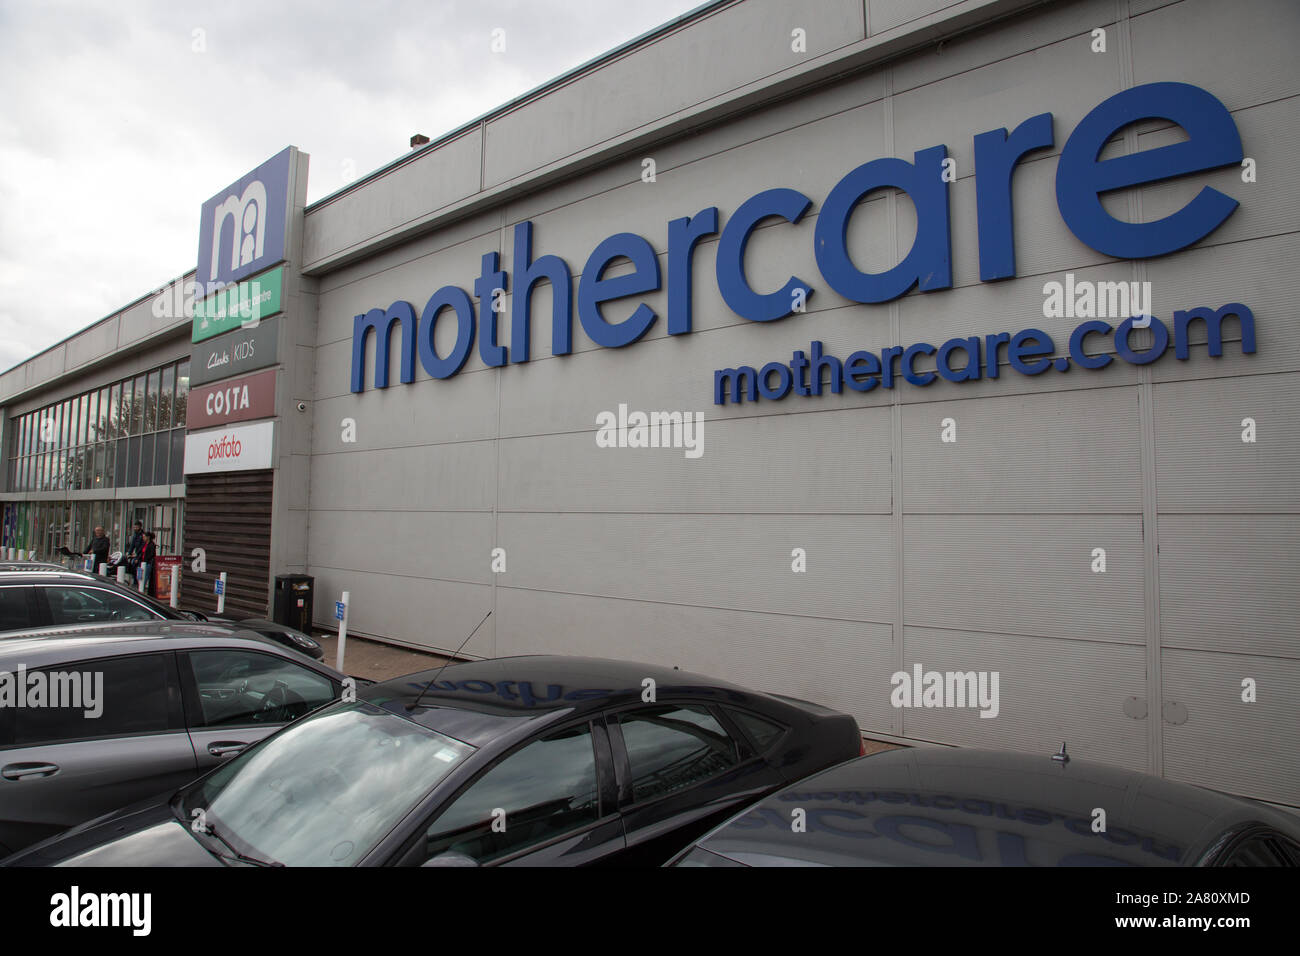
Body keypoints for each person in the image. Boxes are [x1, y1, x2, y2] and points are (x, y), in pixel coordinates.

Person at [139, 531, 157, 597]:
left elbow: (151, 554)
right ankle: (141, 589)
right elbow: (141, 552)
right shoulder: (144, 544)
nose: (143, 538)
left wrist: (146, 560)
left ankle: (142, 591)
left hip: (147, 563)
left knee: (145, 577)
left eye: (144, 537)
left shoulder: (151, 545)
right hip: (142, 562)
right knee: (141, 576)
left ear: (148, 537)